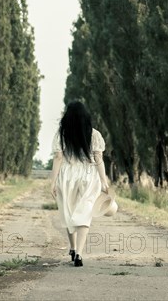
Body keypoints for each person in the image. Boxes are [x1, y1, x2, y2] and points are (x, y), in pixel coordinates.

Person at [50, 100, 109, 267]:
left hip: (67, 175)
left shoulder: (62, 134)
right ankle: (79, 253)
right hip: (88, 175)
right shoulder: (94, 134)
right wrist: (104, 181)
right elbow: (98, 159)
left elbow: (58, 157)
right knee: (85, 212)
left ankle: (73, 247)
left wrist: (52, 182)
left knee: (69, 211)